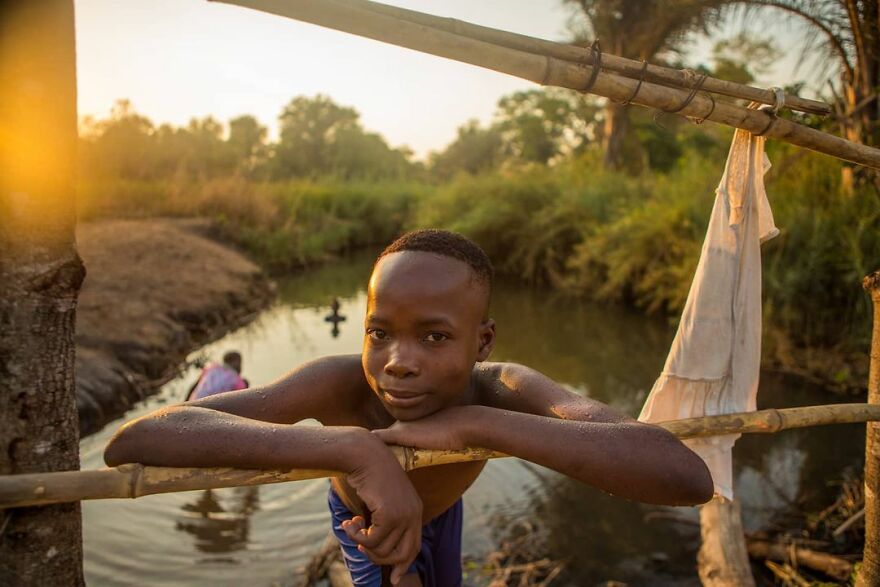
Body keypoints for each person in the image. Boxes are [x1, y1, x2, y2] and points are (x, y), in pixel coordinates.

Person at [105, 229, 713, 587]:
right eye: (378, 333)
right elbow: (137, 438)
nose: (398, 361)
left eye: (435, 336)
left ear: (484, 341)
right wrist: (351, 449)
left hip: (441, 514)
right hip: (365, 526)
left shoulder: (501, 388)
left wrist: (478, 423)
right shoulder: (339, 387)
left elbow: (685, 475)